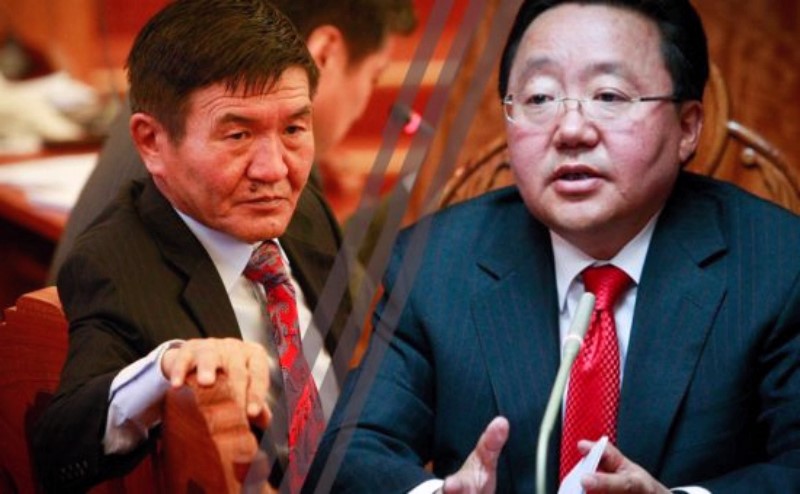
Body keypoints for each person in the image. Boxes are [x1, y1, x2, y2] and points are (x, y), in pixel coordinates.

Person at [305, 0, 800, 493]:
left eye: (608, 95)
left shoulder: (779, 264)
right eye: (540, 98)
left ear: (687, 127)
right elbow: (350, 451)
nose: (571, 131)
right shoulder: (435, 264)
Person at [32, 1, 357, 491]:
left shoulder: (306, 212)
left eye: (294, 129)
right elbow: (57, 447)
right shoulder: (114, 263)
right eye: (238, 135)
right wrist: (163, 369)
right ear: (152, 142)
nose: (275, 169)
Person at [47, 0, 417, 281]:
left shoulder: (180, 86)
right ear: (325, 53)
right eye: (373, 77)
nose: (271, 168)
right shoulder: (261, 173)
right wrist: (424, 197)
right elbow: (354, 316)